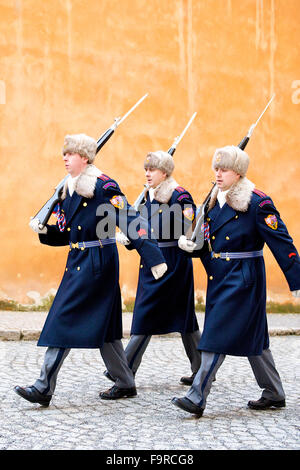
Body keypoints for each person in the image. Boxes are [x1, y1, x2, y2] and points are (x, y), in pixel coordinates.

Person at [14, 133, 167, 407]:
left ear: (84, 157)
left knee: (63, 319)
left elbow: (130, 219)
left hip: (97, 263)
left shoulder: (104, 186)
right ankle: (125, 381)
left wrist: (154, 256)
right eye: (64, 153)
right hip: (78, 262)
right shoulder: (68, 189)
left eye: (70, 153)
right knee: (106, 330)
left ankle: (43, 386)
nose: (64, 157)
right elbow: (67, 233)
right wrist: (44, 230)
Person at [172, 145, 300, 417]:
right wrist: (191, 247)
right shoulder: (213, 201)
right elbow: (208, 242)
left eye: (224, 169)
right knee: (255, 339)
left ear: (238, 173)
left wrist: (296, 279)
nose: (218, 174)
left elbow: (281, 241)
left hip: (244, 279)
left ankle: (197, 396)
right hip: (220, 276)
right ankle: (274, 392)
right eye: (216, 169)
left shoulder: (257, 202)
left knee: (216, 335)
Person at [104, 150, 202, 384]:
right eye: (146, 169)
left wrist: (154, 231)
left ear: (165, 173)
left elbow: (188, 222)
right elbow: (142, 225)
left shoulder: (179, 195)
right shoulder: (149, 195)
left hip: (172, 262)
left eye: (152, 170)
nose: (147, 174)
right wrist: (131, 238)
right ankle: (202, 367)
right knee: (185, 320)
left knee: (149, 315)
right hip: (152, 259)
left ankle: (126, 369)